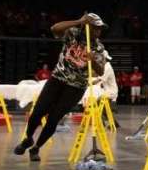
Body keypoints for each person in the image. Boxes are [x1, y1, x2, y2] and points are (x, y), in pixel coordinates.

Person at [14, 13, 108, 161]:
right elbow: (54, 29)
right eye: (95, 28)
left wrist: (93, 60)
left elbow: (101, 70)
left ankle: (36, 148)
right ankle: (28, 138)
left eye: (100, 29)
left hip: (76, 87)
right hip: (57, 79)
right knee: (38, 111)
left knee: (54, 118)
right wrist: (78, 21)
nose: (98, 32)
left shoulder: (98, 47)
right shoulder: (73, 33)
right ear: (86, 27)